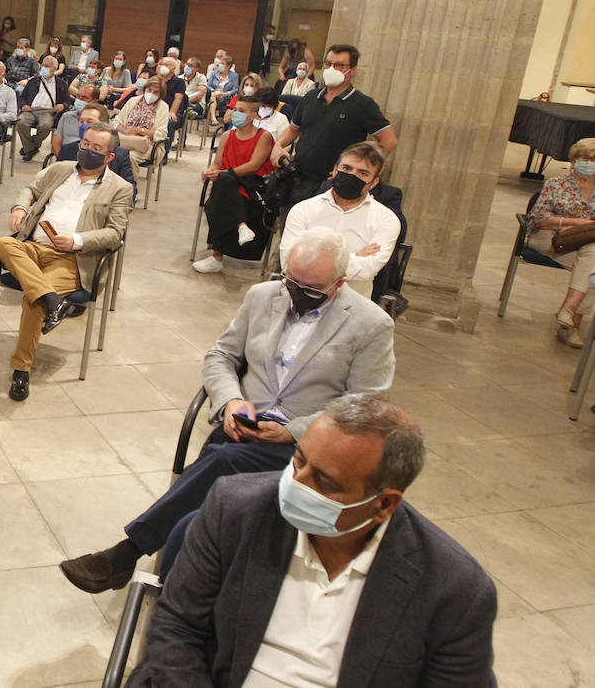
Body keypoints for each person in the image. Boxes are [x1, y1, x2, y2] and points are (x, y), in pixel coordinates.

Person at [58, 228, 395, 594]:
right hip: (243, 425)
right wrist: (232, 401)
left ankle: (127, 554)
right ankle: (184, 577)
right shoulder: (264, 296)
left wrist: (293, 431)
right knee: (221, 463)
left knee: (222, 462)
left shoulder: (370, 324)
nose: (296, 292)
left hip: (306, 446)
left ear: (340, 283)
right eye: (290, 281)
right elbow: (222, 356)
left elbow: (365, 402)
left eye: (310, 289)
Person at [132, 394, 497, 687]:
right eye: (298, 461)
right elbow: (176, 630)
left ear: (384, 505)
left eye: (325, 482)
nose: (295, 484)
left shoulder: (455, 590)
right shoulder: (235, 510)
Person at [0, 121, 132, 401]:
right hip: (33, 246)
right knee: (4, 244)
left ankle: (21, 370)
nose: (88, 151)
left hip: (71, 259)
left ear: (109, 157)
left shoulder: (120, 188)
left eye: (97, 149)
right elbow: (31, 189)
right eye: (86, 145)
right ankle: (54, 300)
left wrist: (78, 240)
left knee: (33, 301)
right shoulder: (60, 169)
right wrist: (20, 207)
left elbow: (115, 233)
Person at [277, 44, 399, 204]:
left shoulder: (362, 104)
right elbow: (293, 130)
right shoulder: (311, 97)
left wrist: (362, 169)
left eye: (339, 65)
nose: (332, 69)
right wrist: (277, 146)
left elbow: (389, 140)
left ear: (352, 70)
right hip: (299, 180)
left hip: (334, 185)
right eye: (328, 64)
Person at [282, 142, 401, 297]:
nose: (352, 176)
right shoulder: (303, 210)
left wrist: (310, 263)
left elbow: (367, 270)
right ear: (335, 169)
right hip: (297, 299)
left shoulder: (386, 220)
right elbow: (288, 263)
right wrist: (355, 257)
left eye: (363, 173)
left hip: (351, 307)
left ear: (374, 182)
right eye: (347, 168)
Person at [192, 94, 277, 273]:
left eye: (241, 111)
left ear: (253, 115)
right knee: (222, 185)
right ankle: (241, 226)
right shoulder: (226, 136)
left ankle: (217, 256)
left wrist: (221, 173)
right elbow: (218, 162)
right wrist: (211, 170)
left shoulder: (264, 136)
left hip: (252, 185)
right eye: (235, 110)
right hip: (227, 184)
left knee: (220, 189)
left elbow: (253, 165)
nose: (235, 113)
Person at [530, 136, 595, 347]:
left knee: (592, 259)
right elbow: (538, 219)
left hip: (586, 243)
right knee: (592, 269)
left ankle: (568, 312)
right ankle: (571, 320)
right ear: (574, 160)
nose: (589, 163)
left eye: (594, 159)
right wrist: (572, 223)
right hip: (550, 237)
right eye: (585, 157)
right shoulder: (555, 184)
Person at [17, 57, 70, 161]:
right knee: (21, 122)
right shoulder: (33, 81)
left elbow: (67, 101)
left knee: (46, 126)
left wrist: (62, 106)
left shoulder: (61, 84)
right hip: (31, 110)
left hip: (48, 112)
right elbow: (22, 97)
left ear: (54, 69)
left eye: (47, 66)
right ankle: (30, 149)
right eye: (42, 65)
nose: (43, 68)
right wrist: (23, 105)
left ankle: (30, 147)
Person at [115, 74, 169, 164]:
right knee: (109, 153)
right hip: (124, 140)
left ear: (161, 95)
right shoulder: (133, 101)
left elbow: (161, 134)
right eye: (149, 90)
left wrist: (140, 131)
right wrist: (126, 130)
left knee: (129, 158)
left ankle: (129, 178)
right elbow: (116, 122)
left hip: (147, 145)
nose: (151, 94)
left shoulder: (163, 107)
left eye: (155, 92)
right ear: (145, 89)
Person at [49, 90, 99, 160]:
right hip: (66, 157)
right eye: (78, 96)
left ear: (95, 101)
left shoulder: (101, 118)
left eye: (84, 97)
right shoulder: (66, 116)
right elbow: (56, 142)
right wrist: (61, 159)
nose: (79, 100)